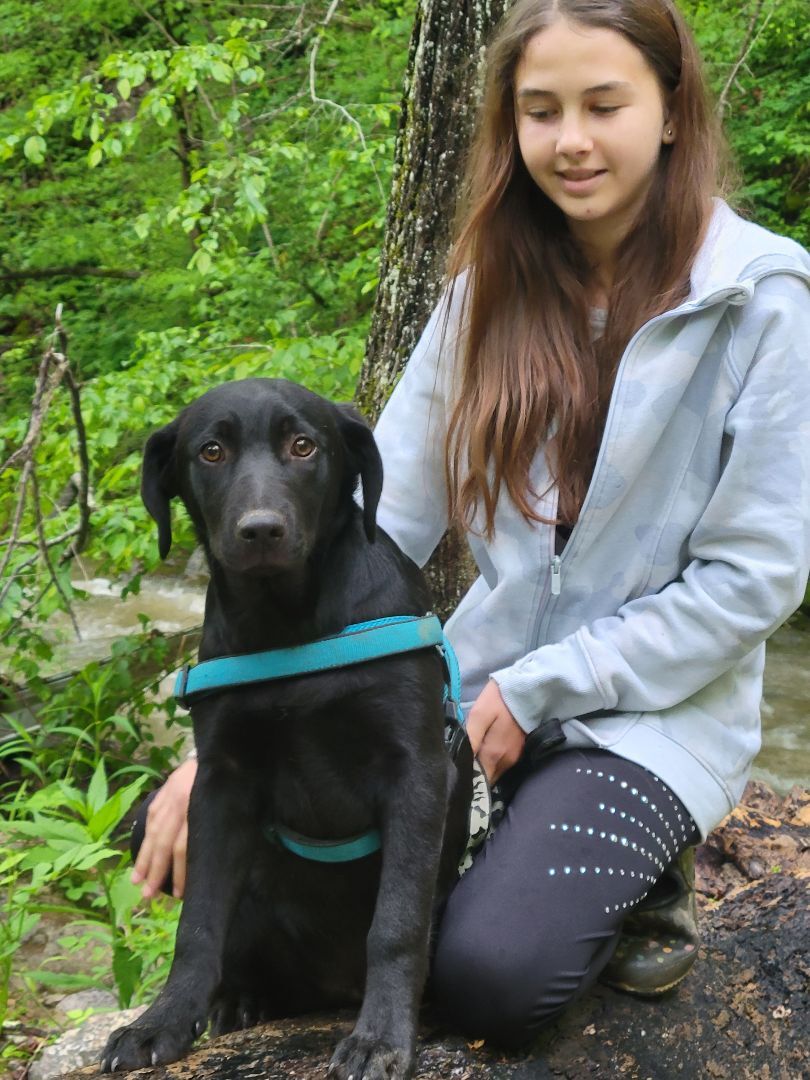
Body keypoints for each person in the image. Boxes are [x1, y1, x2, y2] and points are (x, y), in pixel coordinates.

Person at [132, 0, 810, 1049]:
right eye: (540, 111)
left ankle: (647, 873)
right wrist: (227, 737)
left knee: (491, 981)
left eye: (604, 104)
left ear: (672, 111)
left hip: (648, 716)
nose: (571, 139)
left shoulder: (765, 303)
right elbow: (376, 517)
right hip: (466, 692)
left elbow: (753, 582)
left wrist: (535, 690)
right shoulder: (485, 293)